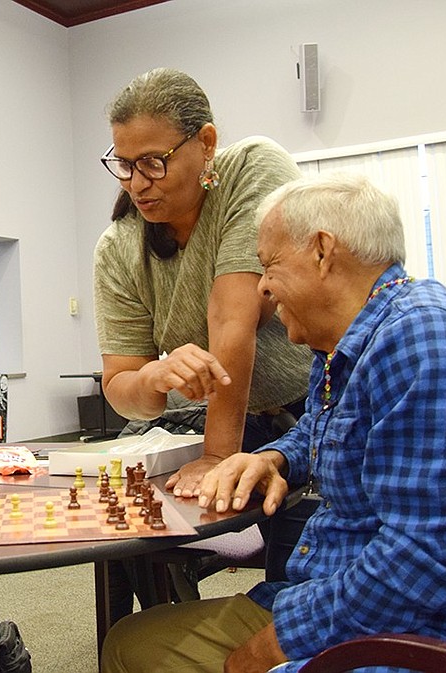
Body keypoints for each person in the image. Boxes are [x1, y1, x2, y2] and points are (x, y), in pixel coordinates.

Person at [100, 172, 446, 672]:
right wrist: (275, 457)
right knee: (131, 643)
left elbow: (431, 557)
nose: (263, 287)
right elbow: (321, 426)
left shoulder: (423, 340)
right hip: (345, 595)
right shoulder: (353, 339)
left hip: (429, 638)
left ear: (322, 250)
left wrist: (277, 644)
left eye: (268, 265)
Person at [93, 67, 314, 617]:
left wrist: (219, 455)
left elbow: (232, 318)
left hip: (303, 411)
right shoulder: (118, 249)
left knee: (298, 571)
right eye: (123, 164)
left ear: (206, 143)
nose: (136, 182)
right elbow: (121, 386)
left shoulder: (251, 168)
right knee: (120, 512)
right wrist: (152, 380)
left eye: (153, 162)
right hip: (211, 412)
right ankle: (150, 627)